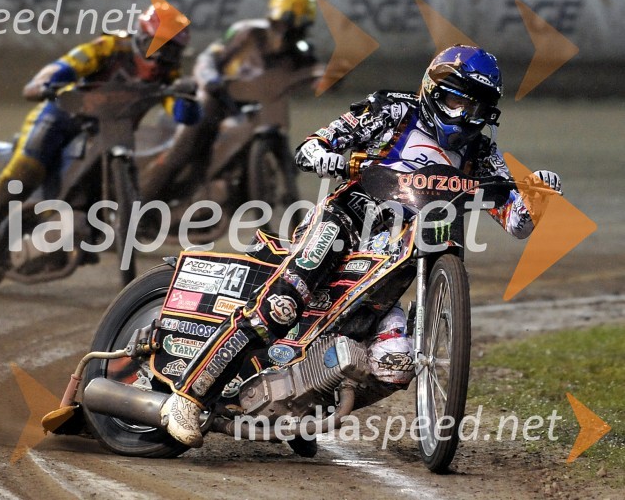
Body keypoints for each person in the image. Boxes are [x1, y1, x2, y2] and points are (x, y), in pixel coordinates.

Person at [160, 44, 563, 447]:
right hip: (349, 220)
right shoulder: (391, 110)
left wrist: (538, 195)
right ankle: (189, 395)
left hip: (403, 251)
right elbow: (310, 148)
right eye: (457, 99)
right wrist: (338, 161)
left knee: (395, 362)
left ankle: (307, 400)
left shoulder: (482, 152)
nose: (465, 116)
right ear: (434, 90)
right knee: (282, 304)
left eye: (477, 108)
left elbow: (515, 221)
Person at [0, 4, 200, 277]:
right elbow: (66, 65)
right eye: (158, 47)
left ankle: (78, 227)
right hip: (63, 116)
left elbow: (183, 113)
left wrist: (189, 99)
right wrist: (44, 83)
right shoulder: (109, 47)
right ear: (141, 37)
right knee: (26, 172)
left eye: (171, 52)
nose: (161, 59)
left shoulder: (167, 76)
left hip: (110, 135)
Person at [140, 0, 318, 202]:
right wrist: (209, 79)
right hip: (217, 96)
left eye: (292, 27)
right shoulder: (247, 31)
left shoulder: (302, 52)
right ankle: (144, 202)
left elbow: (316, 75)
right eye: (283, 23)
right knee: (184, 149)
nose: (284, 33)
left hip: (258, 106)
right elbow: (209, 57)